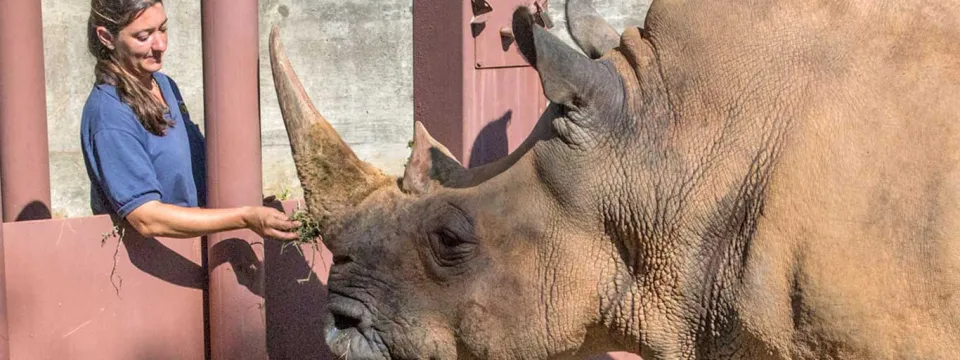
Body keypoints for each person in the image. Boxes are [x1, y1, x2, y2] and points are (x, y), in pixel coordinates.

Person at [81, 0, 300, 240]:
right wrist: (244, 217)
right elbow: (146, 218)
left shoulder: (163, 84)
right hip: (155, 265)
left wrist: (243, 206)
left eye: (163, 29)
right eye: (143, 36)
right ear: (106, 37)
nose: (161, 45)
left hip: (196, 253)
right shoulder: (109, 114)